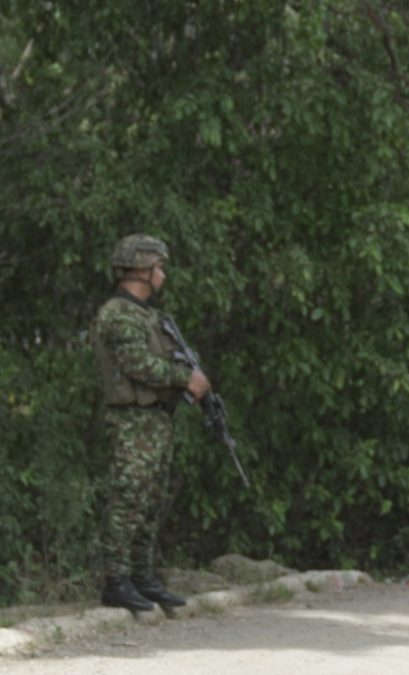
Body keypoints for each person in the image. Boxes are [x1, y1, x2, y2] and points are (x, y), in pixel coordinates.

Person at [90, 234, 210, 612]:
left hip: (155, 420)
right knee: (127, 498)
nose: (162, 275)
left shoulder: (148, 316)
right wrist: (183, 377)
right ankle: (116, 581)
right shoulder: (119, 314)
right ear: (141, 269)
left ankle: (140, 575)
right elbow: (137, 364)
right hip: (131, 422)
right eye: (158, 267)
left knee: (150, 501)